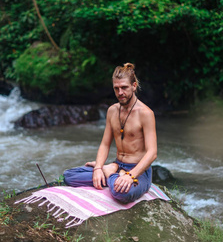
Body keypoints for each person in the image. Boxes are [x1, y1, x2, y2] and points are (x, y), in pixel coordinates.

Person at [63, 63, 157, 203]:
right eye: (116, 88)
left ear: (134, 86)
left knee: (121, 193)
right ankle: (112, 170)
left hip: (138, 171)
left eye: (124, 87)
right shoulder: (112, 111)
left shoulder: (146, 114)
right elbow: (105, 144)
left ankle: (112, 172)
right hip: (118, 164)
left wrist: (130, 176)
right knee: (69, 176)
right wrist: (99, 168)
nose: (120, 93)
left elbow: (152, 153)